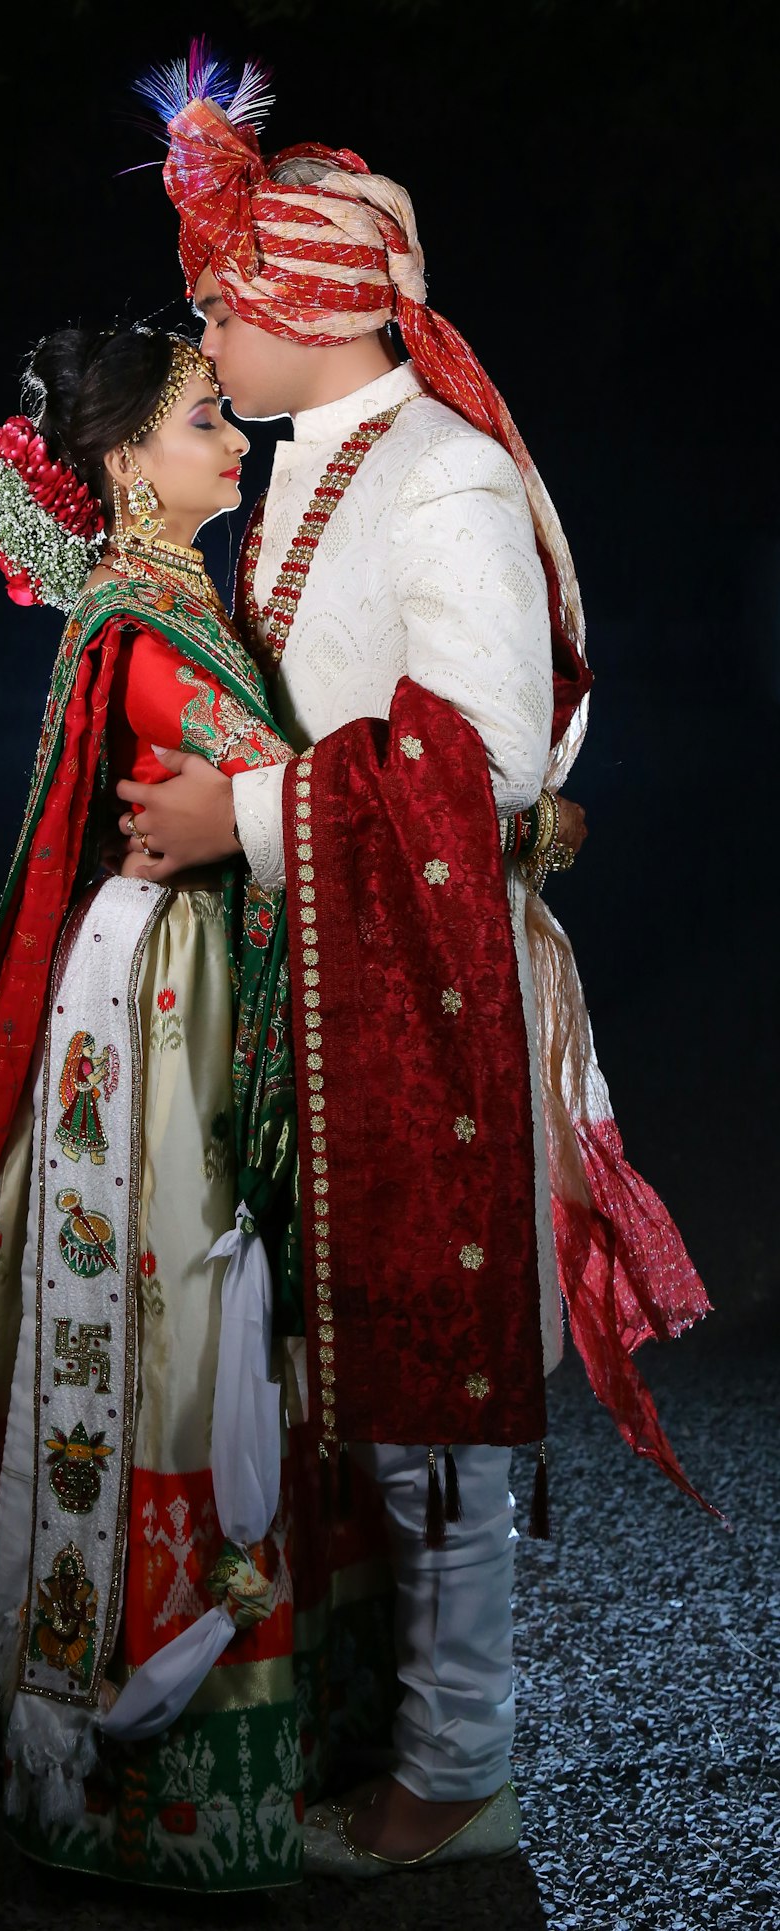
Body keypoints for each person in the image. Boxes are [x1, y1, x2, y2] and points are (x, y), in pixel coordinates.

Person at [111, 54, 717, 1875]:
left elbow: (488, 760)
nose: (207, 329)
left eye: (227, 296)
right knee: (342, 1388)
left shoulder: (440, 483)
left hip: (434, 992)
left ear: (306, 304)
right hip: (344, 977)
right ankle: (381, 1723)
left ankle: (457, 1777)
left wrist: (249, 819)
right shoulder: (309, 468)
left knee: (438, 1410)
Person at [0, 324, 403, 1893]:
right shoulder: (150, 627)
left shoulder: (169, 604)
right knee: (183, 1318)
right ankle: (158, 1768)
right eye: (199, 418)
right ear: (124, 474)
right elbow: (285, 793)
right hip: (165, 1010)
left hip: (171, 978)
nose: (232, 435)